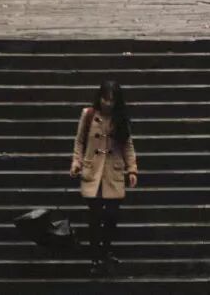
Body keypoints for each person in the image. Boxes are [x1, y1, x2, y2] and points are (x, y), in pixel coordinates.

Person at [70, 79, 138, 274]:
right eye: (105, 99)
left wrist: (132, 169)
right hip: (93, 172)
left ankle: (106, 250)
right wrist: (76, 162)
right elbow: (79, 141)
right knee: (94, 217)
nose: (108, 103)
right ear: (99, 97)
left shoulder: (121, 118)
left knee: (111, 216)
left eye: (112, 100)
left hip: (112, 173)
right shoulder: (89, 115)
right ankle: (94, 256)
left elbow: (127, 145)